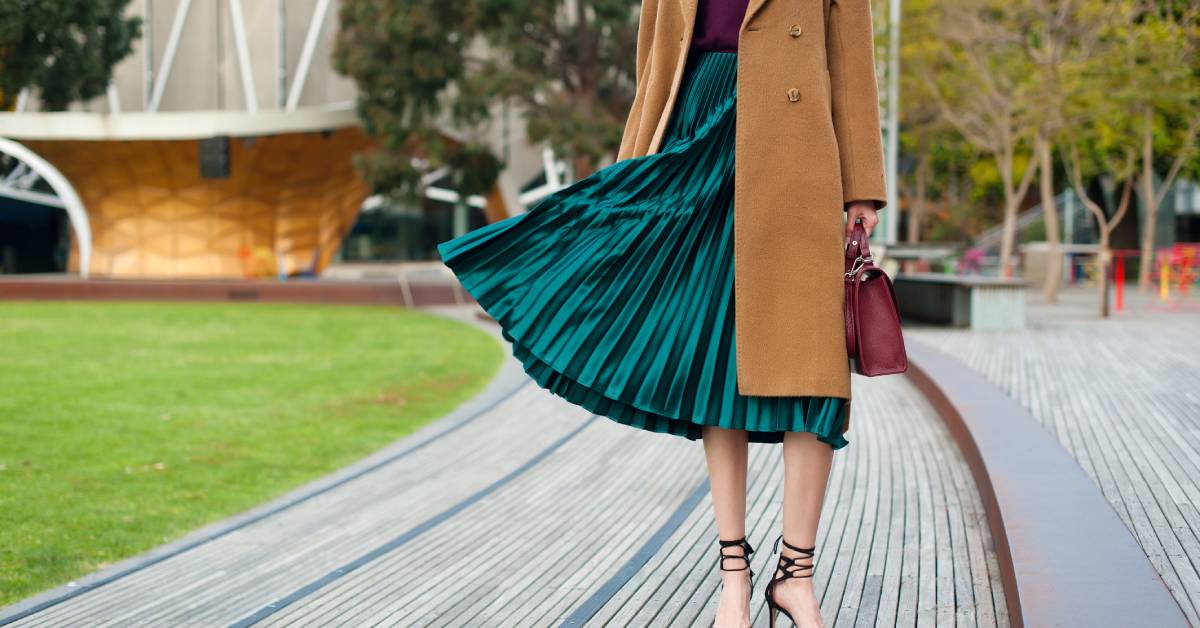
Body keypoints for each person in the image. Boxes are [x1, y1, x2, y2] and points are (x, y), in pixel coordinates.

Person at [436, 0, 887, 626]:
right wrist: (635, 164)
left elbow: (852, 57)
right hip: (695, 132)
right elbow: (656, 55)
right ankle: (734, 575)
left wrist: (861, 184)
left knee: (814, 369)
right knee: (714, 359)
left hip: (797, 149)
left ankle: (796, 576)